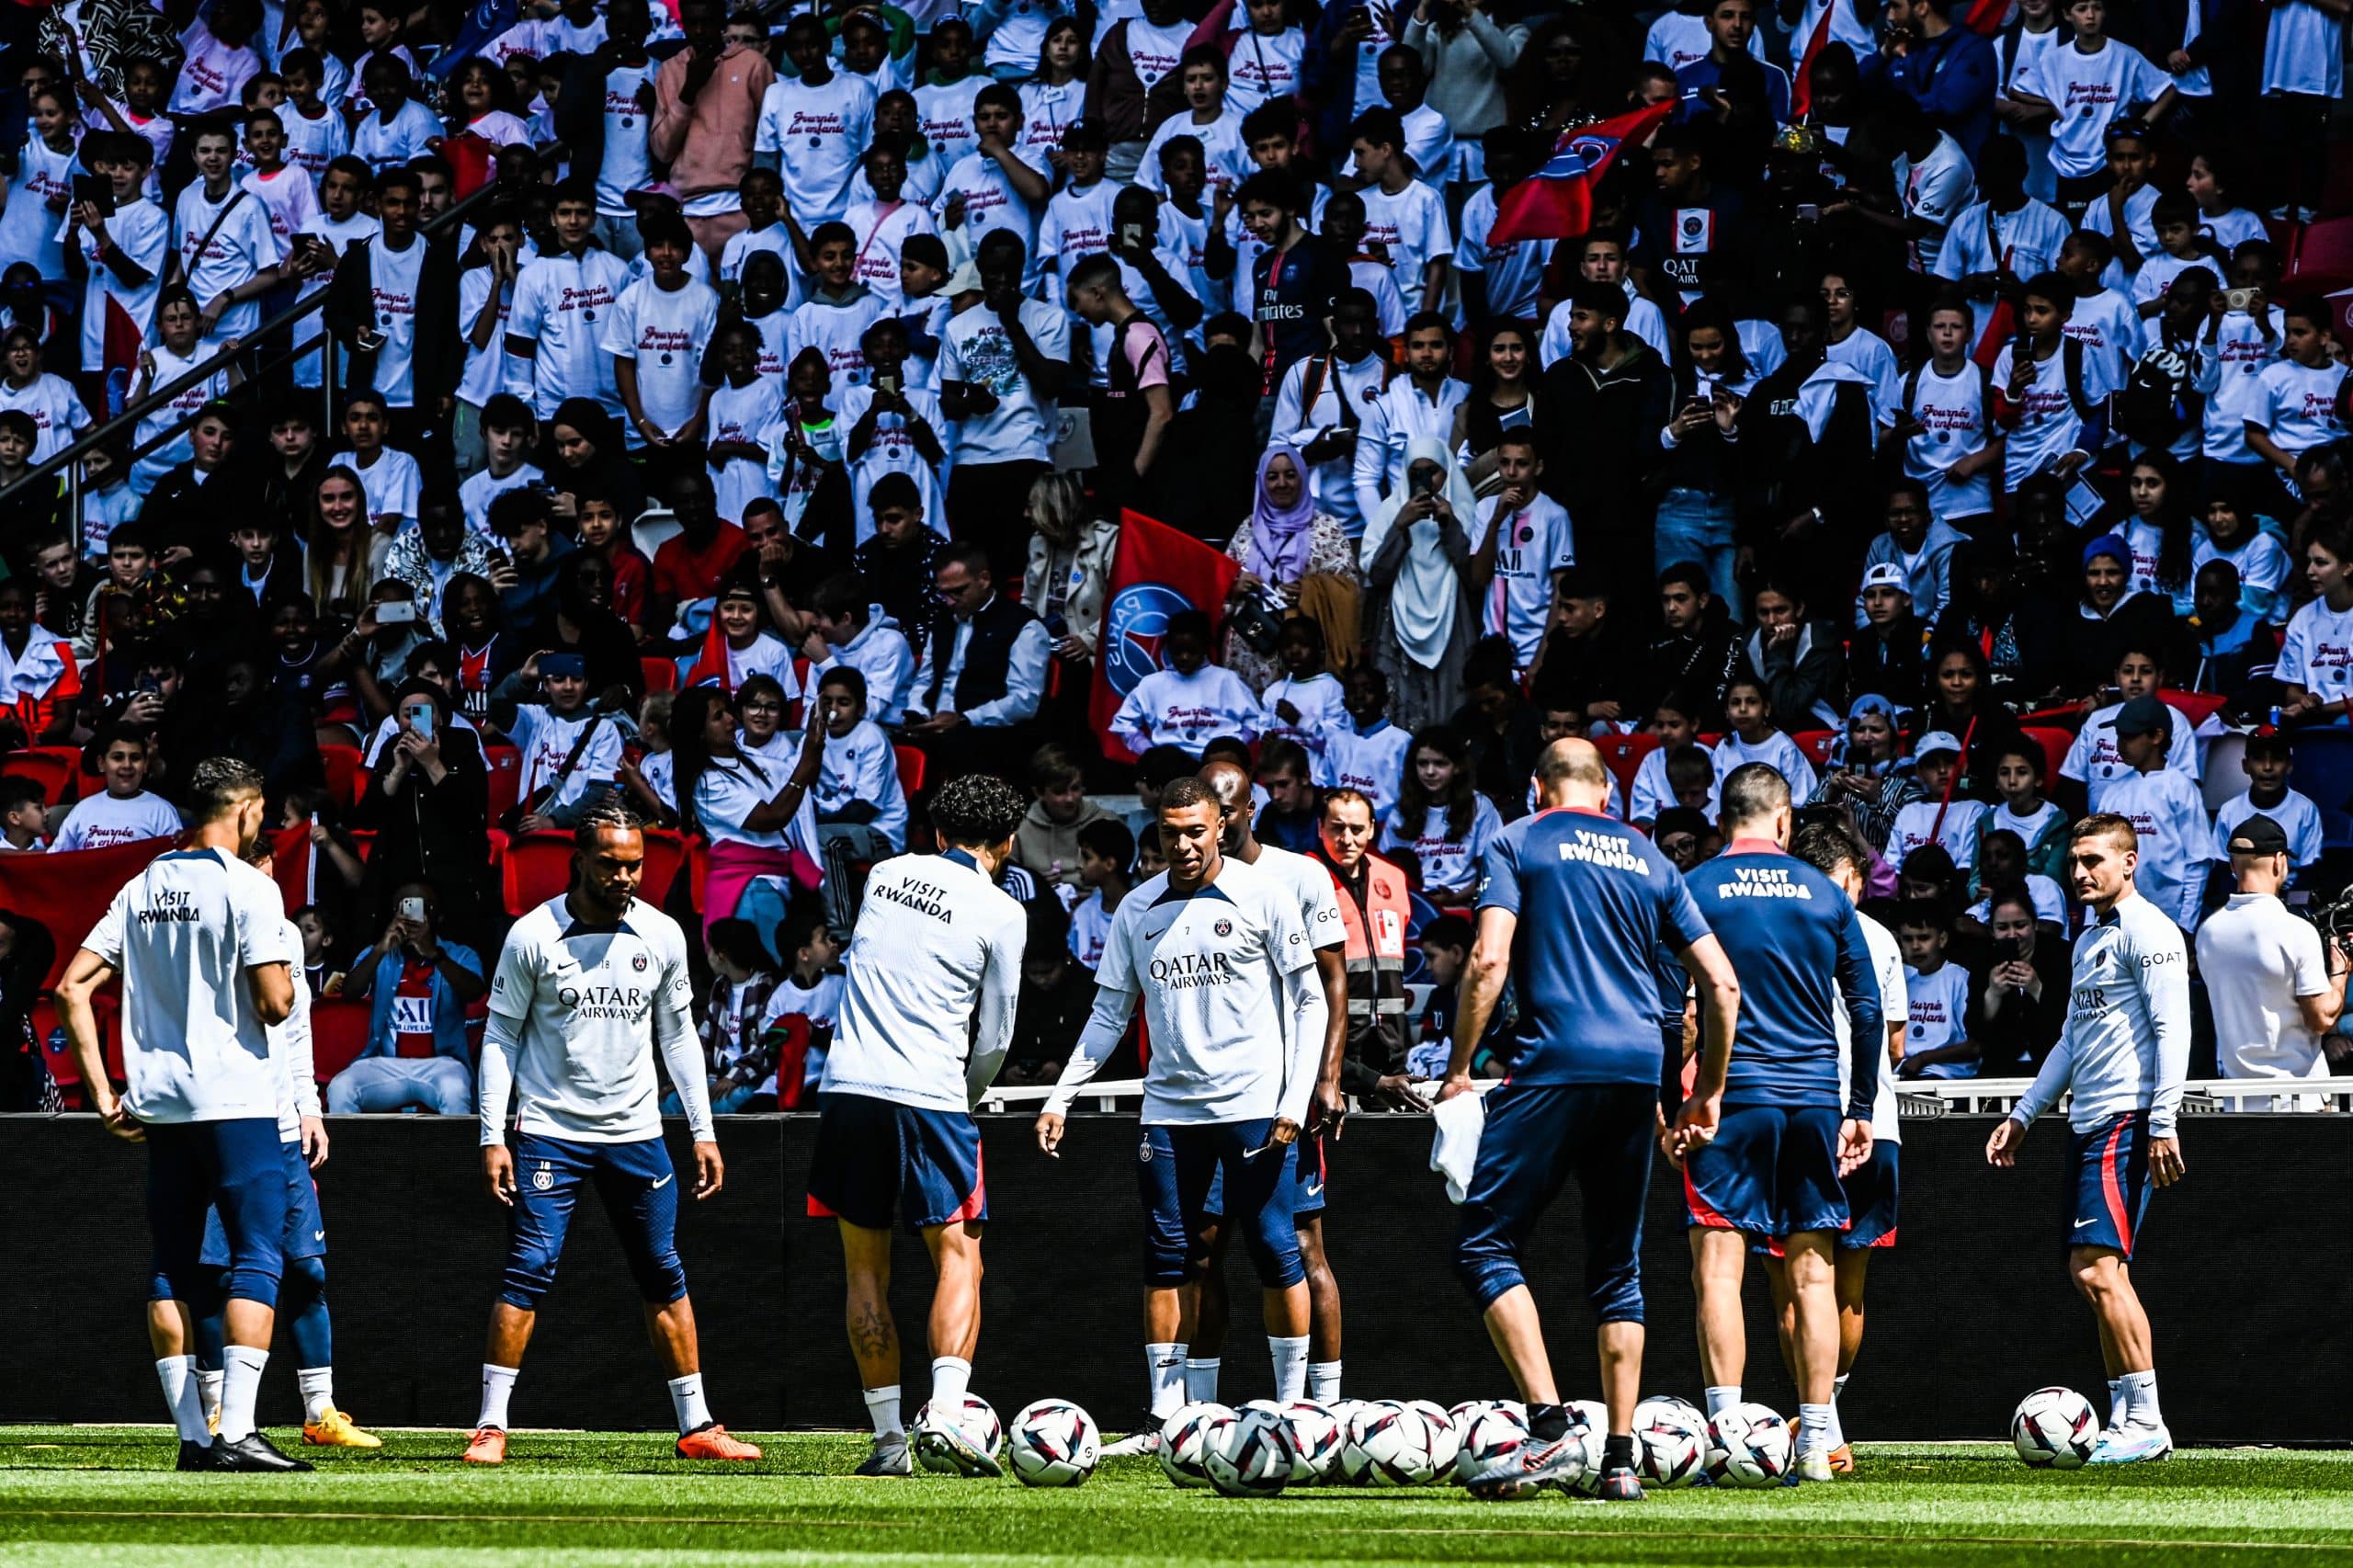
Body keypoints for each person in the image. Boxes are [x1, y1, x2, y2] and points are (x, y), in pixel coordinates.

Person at [1442, 739, 1737, 1500]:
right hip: (1639, 1069)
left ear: (1540, 789)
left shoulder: (1516, 841)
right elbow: (1721, 984)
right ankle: (1618, 1458)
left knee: (1484, 1242)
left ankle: (1549, 1431)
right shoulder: (1651, 860)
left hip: (1555, 1063)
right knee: (1618, 1266)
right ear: (1607, 793)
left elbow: (1487, 961)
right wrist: (1701, 1094)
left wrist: (1458, 1069)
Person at [466, 802, 761, 1466]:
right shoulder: (533, 935)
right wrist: (493, 1134)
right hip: (549, 1132)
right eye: (610, 864)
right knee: (529, 1271)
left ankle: (698, 1426)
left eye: (635, 864)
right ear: (580, 861)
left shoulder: (661, 934)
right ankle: (490, 1426)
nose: (625, 876)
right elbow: (500, 1037)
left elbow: (679, 1037)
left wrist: (702, 1130)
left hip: (638, 1132)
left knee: (663, 1271)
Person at [1036, 777, 1327, 1412]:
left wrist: (1295, 1098)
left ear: (1221, 825)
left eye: (1196, 830)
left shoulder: (1265, 895)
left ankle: (1293, 1410)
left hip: (1256, 1108)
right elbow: (1110, 1013)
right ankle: (1171, 1415)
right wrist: (1061, 1097)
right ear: (1158, 833)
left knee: (1276, 1248)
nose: (1185, 844)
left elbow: (1312, 999)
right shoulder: (1137, 909)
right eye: (1171, 833)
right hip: (1169, 1113)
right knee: (1171, 1255)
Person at [55, 757, 305, 1471]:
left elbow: (73, 989)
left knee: (170, 1265)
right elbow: (275, 1004)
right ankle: (241, 1432)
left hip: (160, 1104)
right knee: (258, 1254)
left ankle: (194, 1438)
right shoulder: (252, 887)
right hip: (235, 1100)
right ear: (248, 811)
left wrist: (103, 1092)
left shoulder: (142, 885)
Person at [810, 773, 1029, 1476]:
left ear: (937, 833)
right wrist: (968, 1094)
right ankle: (943, 1415)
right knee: (960, 1257)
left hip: (847, 1090)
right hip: (931, 1094)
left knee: (863, 1272)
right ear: (1007, 843)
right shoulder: (1002, 911)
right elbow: (996, 1033)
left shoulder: (888, 875)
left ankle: (887, 1443)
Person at [1678, 763, 1881, 1483]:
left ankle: (1724, 1438)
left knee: (1719, 1270)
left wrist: (1678, 1095)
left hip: (1730, 1098)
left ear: (1724, 818)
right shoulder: (1827, 893)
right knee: (1814, 1276)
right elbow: (1866, 1008)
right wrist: (1858, 1110)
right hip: (1814, 1098)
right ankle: (1816, 1443)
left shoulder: (1695, 888)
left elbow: (1673, 1004)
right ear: (1785, 821)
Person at [1987, 813, 2190, 1464]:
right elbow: (2073, 1040)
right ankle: (2127, 1415)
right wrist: (2023, 1114)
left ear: (2129, 863)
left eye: (2094, 860)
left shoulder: (2151, 932)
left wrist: (2163, 1120)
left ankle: (2149, 1422)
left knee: (2096, 1269)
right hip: (2089, 1122)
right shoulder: (2088, 939)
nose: (2079, 872)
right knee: (2099, 1273)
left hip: (2126, 1120)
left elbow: (2173, 1029)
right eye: (2074, 861)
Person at [1765, 821, 1906, 1473]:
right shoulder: (1876, 936)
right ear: (1847, 876)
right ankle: (1827, 1423)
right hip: (1874, 1122)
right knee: (1848, 1288)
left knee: (1794, 1286)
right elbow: (1897, 1042)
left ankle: (1820, 1427)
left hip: (1796, 1114)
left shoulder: (1769, 927)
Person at [2196, 814, 2349, 1110]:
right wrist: (2341, 969)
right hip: (2299, 1100)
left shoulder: (2208, 933)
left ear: (2232, 866)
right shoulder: (2295, 930)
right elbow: (2321, 1018)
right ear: (2280, 861)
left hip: (2237, 1101)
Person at [323, 882, 485, 1114]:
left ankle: (452, 1152)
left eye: (422, 907)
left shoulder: (460, 954)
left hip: (441, 1064)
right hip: (387, 1064)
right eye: (404, 907)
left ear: (436, 916)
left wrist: (434, 955)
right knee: (341, 1088)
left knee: (455, 1090)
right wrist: (380, 949)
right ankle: (352, 1152)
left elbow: (475, 992)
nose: (412, 916)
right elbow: (349, 994)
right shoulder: (379, 953)